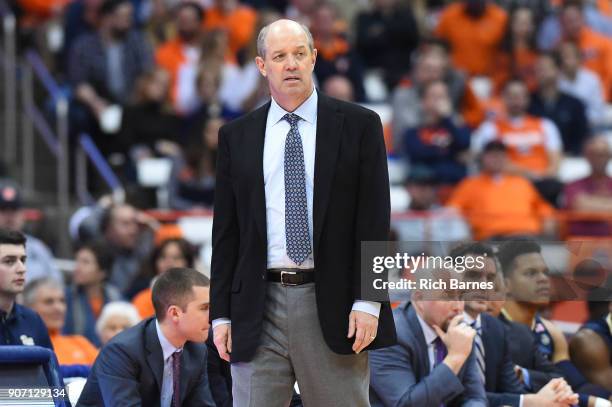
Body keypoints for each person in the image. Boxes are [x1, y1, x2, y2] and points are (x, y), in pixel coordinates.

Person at [210, 19, 396, 406]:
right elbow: (226, 233)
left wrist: (369, 301)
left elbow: (375, 222)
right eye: (279, 56)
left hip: (335, 302)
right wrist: (220, 314)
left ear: (313, 58)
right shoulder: (236, 135)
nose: (290, 64)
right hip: (256, 307)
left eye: (299, 54)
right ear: (263, 66)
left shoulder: (360, 125)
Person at [456, 242, 579, 407]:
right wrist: (530, 401)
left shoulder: (495, 329)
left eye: (490, 278)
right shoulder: (439, 324)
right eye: (472, 275)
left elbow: (514, 390)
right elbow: (456, 395)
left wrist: (545, 398)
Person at [77, 267, 215, 406]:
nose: (212, 316)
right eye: (204, 308)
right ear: (174, 313)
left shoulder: (197, 350)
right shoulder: (121, 351)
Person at [498, 238, 612, 404]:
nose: (543, 279)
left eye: (545, 272)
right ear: (505, 284)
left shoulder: (550, 331)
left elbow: (574, 384)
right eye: (531, 273)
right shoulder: (491, 327)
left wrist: (604, 400)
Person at [369, 270, 487, 406]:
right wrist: (454, 358)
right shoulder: (390, 334)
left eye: (461, 296)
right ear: (419, 299)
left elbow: (475, 398)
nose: (458, 307)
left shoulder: (459, 331)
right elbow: (406, 405)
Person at [447, 140, 556, 240]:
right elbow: (453, 209)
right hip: (489, 238)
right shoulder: (470, 184)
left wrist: (548, 217)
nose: (496, 159)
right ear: (483, 158)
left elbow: (542, 207)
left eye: (500, 155)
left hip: (525, 235)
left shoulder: (521, 182)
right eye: (492, 155)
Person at [24, 278, 98, 367]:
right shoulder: (24, 347)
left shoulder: (80, 342)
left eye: (62, 301)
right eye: (49, 302)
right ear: (28, 307)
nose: (59, 308)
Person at [0, 179, 62, 285]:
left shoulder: (38, 248)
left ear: (23, 214)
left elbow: (57, 286)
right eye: (4, 210)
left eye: (14, 210)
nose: (9, 217)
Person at [528, 52, 590, 156]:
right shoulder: (528, 102)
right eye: (537, 70)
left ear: (558, 70)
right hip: (534, 158)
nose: (540, 73)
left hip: (569, 158)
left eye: (544, 69)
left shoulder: (575, 104)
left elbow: (582, 138)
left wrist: (569, 154)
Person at [0, 229, 53, 348]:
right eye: (9, 261)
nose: (22, 269)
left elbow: (50, 366)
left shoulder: (33, 320)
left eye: (23, 260)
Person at [64, 241, 122, 346]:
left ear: (102, 272)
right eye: (77, 261)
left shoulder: (116, 298)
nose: (77, 268)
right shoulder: (65, 297)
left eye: (85, 262)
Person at [131, 238, 196, 318]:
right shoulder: (143, 299)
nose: (169, 263)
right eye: (163, 257)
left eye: (176, 258)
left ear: (188, 263)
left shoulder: (199, 298)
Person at [562, 136, 612, 236]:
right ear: (587, 156)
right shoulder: (573, 185)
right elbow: (580, 206)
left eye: (602, 154)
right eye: (594, 154)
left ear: (609, 156)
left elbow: (584, 204)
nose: (599, 159)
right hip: (580, 244)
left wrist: (591, 201)